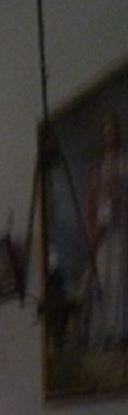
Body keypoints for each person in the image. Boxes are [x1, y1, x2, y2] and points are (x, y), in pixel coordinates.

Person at [82, 111, 128, 348]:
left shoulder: (124, 161)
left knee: (120, 275)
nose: (110, 137)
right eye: (106, 133)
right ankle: (106, 332)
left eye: (113, 132)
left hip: (121, 228)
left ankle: (120, 330)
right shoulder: (99, 169)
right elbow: (92, 203)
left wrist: (119, 199)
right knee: (104, 278)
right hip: (104, 230)